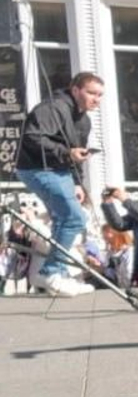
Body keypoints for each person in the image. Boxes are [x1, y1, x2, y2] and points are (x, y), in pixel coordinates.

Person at [16, 71, 104, 297]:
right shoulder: (53, 108)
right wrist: (66, 152)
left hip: (61, 170)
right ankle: (50, 271)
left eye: (100, 95)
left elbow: (78, 153)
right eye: (92, 93)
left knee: (62, 219)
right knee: (75, 218)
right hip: (37, 168)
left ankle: (59, 276)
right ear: (75, 90)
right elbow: (32, 137)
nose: (97, 99)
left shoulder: (84, 120)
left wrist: (77, 183)